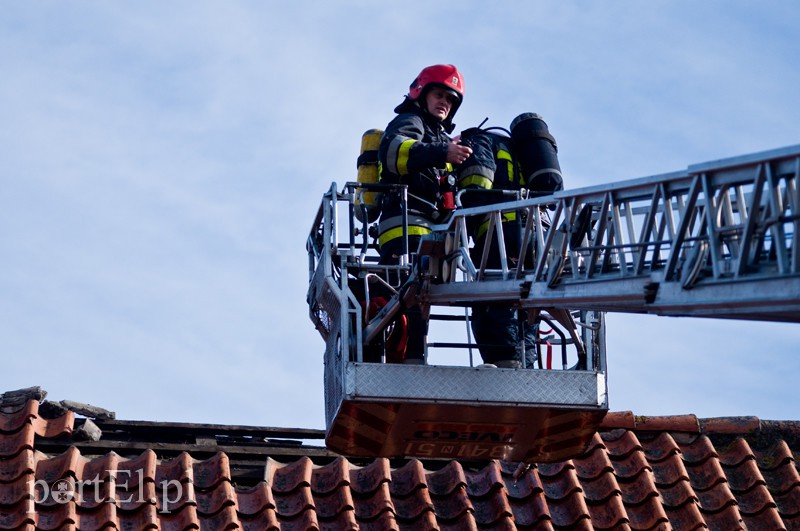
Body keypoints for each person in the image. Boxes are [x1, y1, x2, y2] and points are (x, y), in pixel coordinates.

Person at [376, 64, 473, 365]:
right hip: (405, 228)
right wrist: (442, 152)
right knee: (407, 298)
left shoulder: (438, 137)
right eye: (439, 95)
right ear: (421, 92)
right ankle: (406, 359)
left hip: (428, 229)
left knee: (418, 302)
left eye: (450, 99)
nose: (445, 102)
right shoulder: (409, 121)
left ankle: (413, 358)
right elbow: (393, 152)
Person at [457, 113, 563, 368]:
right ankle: (525, 363)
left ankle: (505, 361)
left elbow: (475, 189)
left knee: (492, 296)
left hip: (499, 233)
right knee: (528, 301)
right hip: (537, 235)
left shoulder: (479, 142)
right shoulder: (526, 153)